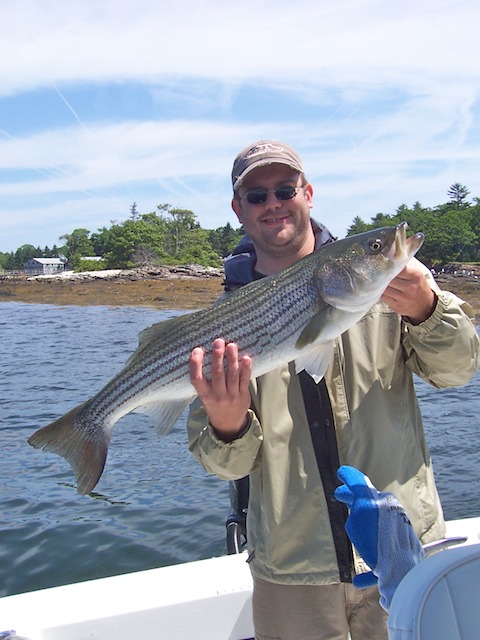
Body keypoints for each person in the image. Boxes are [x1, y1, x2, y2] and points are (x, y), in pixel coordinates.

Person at [187, 140, 480, 640]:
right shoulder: (224, 325)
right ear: (239, 210)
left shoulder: (396, 288)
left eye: (285, 189)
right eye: (256, 196)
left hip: (402, 547)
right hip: (291, 568)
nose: (273, 203)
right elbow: (224, 466)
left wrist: (428, 309)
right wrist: (226, 422)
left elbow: (457, 371)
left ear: (308, 193)